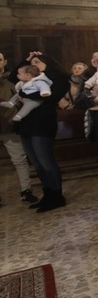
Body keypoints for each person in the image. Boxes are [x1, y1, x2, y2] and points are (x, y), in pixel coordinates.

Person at [12, 52, 70, 212]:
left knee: (46, 161)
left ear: (47, 63)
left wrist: (23, 94)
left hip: (42, 123)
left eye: (37, 61)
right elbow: (12, 77)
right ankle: (47, 194)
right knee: (36, 164)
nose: (33, 64)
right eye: (32, 62)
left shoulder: (56, 77)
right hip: (26, 124)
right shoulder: (28, 80)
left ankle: (57, 196)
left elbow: (49, 97)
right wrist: (26, 60)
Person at [0, 52, 35, 204]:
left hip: (9, 125)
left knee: (19, 160)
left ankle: (26, 190)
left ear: (4, 61)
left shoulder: (14, 79)